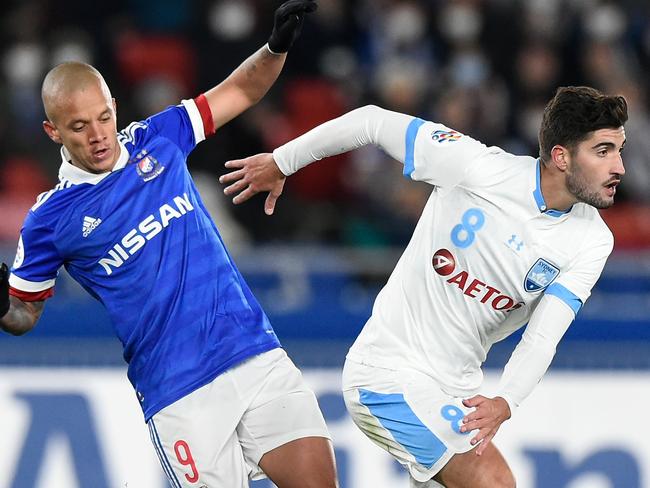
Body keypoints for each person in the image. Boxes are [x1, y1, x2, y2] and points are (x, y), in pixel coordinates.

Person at [0, 2, 340, 487]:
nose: (98, 135)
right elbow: (24, 313)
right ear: (52, 132)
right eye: (79, 127)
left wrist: (275, 47)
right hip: (178, 391)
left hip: (253, 353)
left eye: (103, 117)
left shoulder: (159, 137)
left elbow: (243, 88)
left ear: (114, 105)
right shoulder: (48, 221)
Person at [219, 86, 627, 487]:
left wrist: (507, 400)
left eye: (619, 150)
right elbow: (371, 122)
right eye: (603, 151)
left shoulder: (592, 240)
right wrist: (283, 162)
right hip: (386, 375)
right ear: (560, 156)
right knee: (494, 482)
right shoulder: (477, 168)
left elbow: (542, 336)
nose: (619, 167)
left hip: (457, 393)